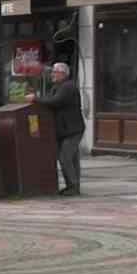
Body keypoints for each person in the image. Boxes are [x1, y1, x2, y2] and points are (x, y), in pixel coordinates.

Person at [37, 62, 85, 196]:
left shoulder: (68, 87)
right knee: (72, 159)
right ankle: (74, 186)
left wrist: (35, 100)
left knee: (65, 158)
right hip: (65, 129)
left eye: (55, 72)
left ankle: (73, 186)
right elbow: (48, 99)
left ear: (63, 74)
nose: (52, 75)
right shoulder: (57, 87)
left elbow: (55, 102)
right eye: (52, 72)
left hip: (72, 129)